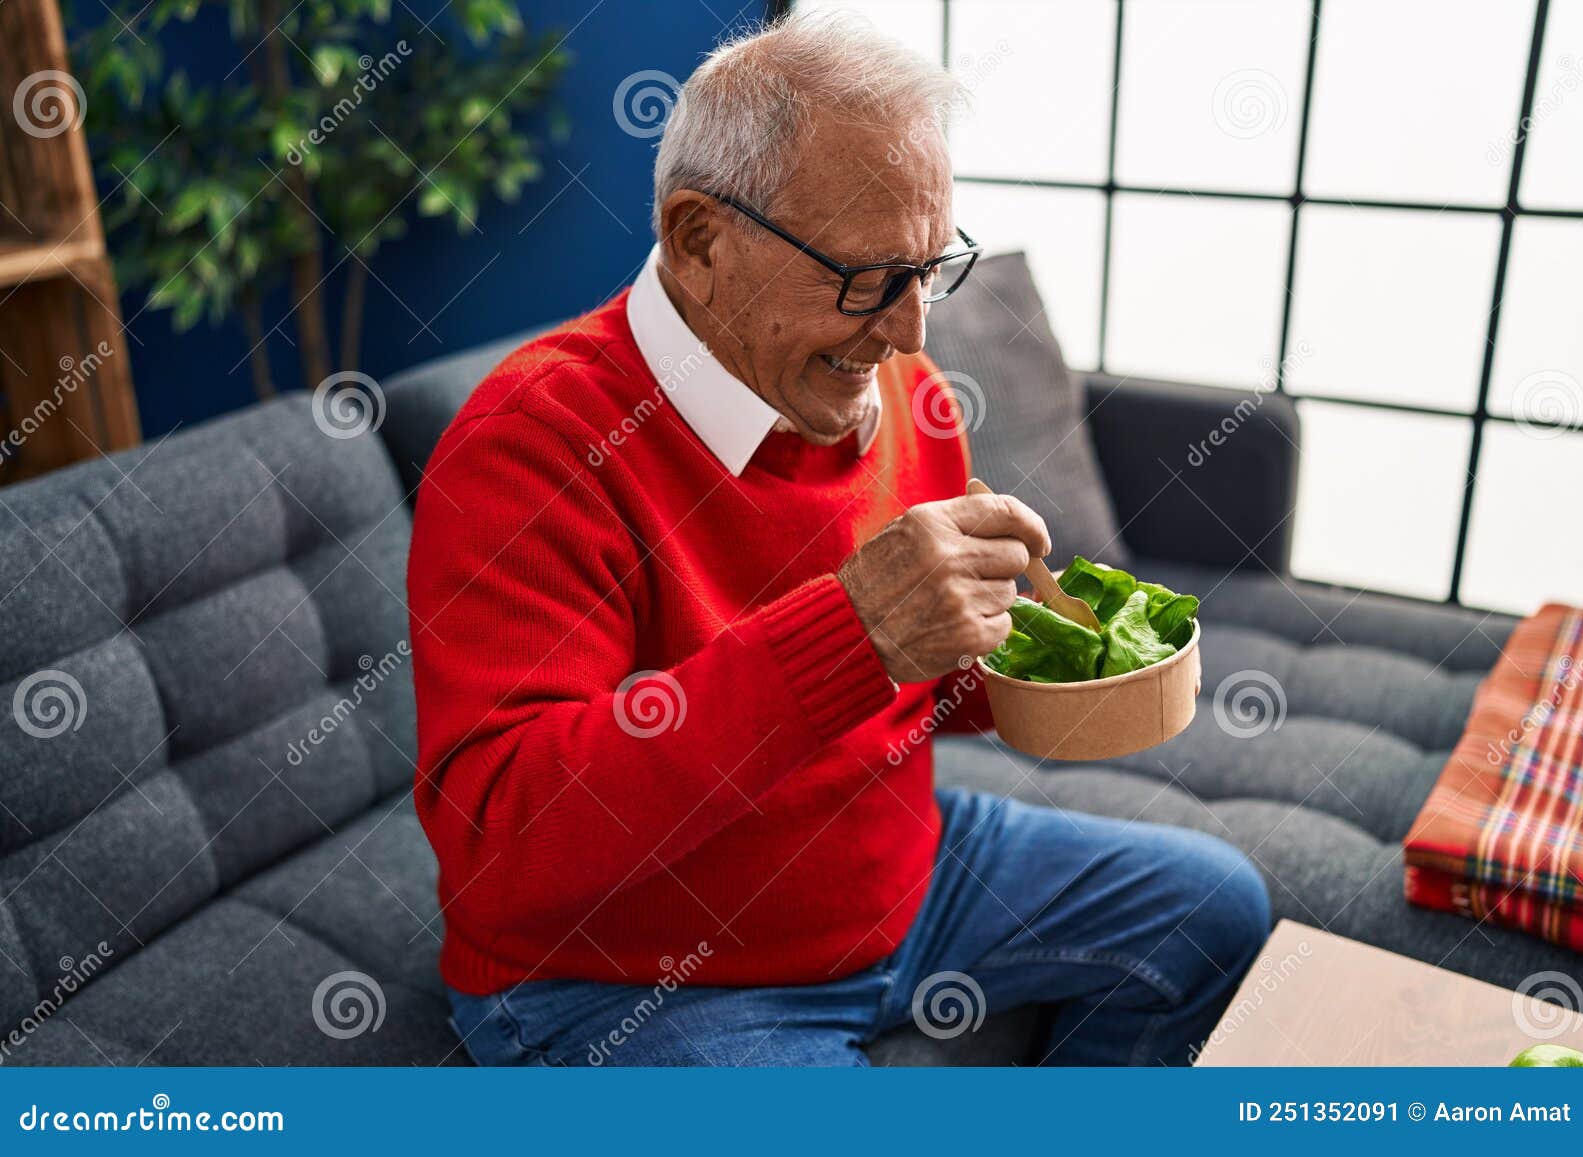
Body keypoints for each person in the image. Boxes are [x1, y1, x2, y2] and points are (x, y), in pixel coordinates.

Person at [407, 11, 1270, 1067]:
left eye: (928, 267)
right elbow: (502, 842)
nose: (911, 330)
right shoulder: (534, 442)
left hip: (903, 879)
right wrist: (855, 633)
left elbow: (908, 681)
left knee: (1217, 907)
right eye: (865, 277)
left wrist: (1034, 651)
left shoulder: (894, 380)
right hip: (629, 975)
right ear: (698, 239)